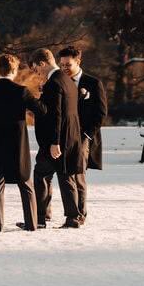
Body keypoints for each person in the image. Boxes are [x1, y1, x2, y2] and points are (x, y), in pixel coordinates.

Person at [0, 54, 43, 231]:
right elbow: (40, 110)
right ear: (14, 70)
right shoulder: (21, 91)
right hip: (17, 141)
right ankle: (31, 223)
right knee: (25, 182)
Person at [28, 48, 84, 229]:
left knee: (41, 175)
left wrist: (54, 142)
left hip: (56, 140)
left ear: (42, 63)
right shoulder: (66, 79)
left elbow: (56, 115)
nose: (36, 71)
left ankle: (40, 218)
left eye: (36, 68)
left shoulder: (54, 83)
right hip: (70, 136)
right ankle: (72, 217)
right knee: (65, 176)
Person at [58, 46, 107, 225]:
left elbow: (101, 113)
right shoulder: (59, 83)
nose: (64, 68)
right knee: (65, 176)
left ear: (78, 61)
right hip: (63, 137)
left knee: (78, 176)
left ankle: (79, 215)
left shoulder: (93, 83)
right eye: (61, 64)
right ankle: (64, 215)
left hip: (84, 137)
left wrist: (87, 135)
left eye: (67, 64)